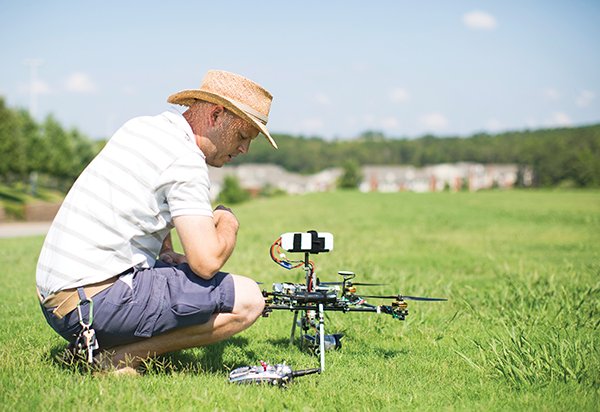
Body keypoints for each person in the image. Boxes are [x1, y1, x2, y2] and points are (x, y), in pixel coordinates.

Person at [36, 69, 277, 373]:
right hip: (91, 305)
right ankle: (116, 360)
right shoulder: (185, 160)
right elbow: (206, 261)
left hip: (58, 299)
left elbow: (142, 204)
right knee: (249, 299)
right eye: (243, 136)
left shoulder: (143, 129)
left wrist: (166, 253)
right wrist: (228, 220)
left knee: (186, 275)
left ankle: (98, 346)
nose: (244, 149)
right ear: (216, 115)